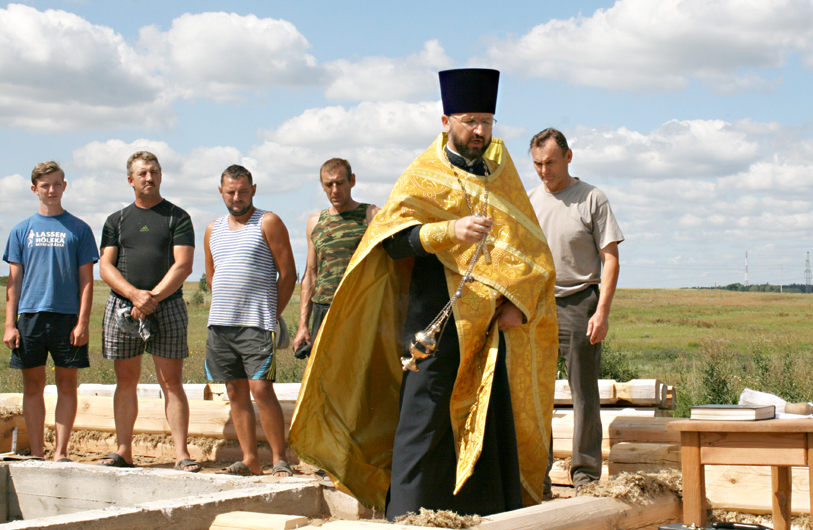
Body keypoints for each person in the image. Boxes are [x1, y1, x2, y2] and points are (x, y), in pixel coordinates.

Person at [289, 68, 558, 517]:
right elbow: (392, 242)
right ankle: (408, 514)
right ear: (446, 121)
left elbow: (533, 253)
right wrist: (448, 231)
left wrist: (518, 302)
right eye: (470, 121)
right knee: (424, 414)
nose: (479, 131)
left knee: (489, 415)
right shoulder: (423, 173)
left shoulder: (501, 175)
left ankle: (488, 513)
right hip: (436, 317)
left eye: (486, 122)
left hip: (490, 325)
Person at [527, 128, 623, 490]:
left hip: (580, 302)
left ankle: (585, 477)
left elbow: (610, 259)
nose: (544, 170)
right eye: (538, 163)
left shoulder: (592, 198)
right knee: (536, 393)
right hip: (537, 305)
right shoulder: (529, 200)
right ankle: (536, 478)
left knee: (583, 394)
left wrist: (602, 312)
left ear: (568, 157)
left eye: (550, 162)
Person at [98, 151, 199, 472]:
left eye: (154, 171)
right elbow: (105, 266)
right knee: (125, 381)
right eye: (142, 173)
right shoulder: (116, 220)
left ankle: (181, 454)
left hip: (166, 306)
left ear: (161, 176)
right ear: (130, 180)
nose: (149, 177)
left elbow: (183, 264)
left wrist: (151, 298)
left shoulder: (177, 217)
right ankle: (124, 451)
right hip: (124, 309)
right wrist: (134, 296)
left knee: (172, 382)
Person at [204, 165, 297, 477]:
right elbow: (212, 275)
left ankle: (280, 459)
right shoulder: (212, 229)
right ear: (221, 192)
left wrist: (272, 313)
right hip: (220, 324)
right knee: (234, 390)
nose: (237, 197)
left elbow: (288, 274)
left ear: (253, 190)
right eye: (231, 192)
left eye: (243, 191)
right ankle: (249, 460)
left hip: (257, 323)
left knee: (261, 388)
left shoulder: (268, 222)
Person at [3, 161, 98, 461]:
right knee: (33, 386)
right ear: (35, 189)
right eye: (45, 185)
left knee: (67, 385)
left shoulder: (79, 229)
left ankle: (61, 452)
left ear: (64, 186)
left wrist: (83, 322)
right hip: (30, 317)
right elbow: (14, 282)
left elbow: (86, 280)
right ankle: (36, 452)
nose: (52, 190)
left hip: (67, 317)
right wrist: (10, 324)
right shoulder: (21, 230)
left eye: (57, 184)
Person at [291, 158, 377, 356]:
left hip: (359, 309)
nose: (335, 190)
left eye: (340, 183)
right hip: (323, 311)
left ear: (352, 181)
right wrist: (303, 325)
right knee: (322, 371)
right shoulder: (315, 222)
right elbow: (310, 274)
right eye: (329, 185)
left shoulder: (370, 215)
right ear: (322, 186)